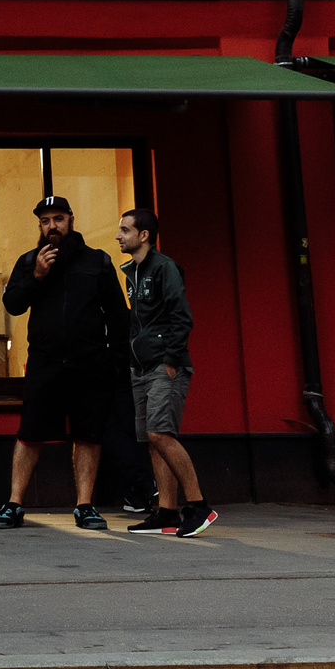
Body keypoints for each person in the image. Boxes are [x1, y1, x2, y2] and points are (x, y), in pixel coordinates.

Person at [0, 196, 136, 532]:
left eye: (58, 219)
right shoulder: (29, 261)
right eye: (45, 221)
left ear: (70, 219)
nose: (52, 226)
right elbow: (12, 305)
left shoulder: (96, 262)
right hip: (45, 363)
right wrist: (37, 275)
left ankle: (85, 506)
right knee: (30, 434)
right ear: (39, 226)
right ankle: (14, 504)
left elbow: (117, 314)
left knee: (88, 435)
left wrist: (114, 360)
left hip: (90, 365)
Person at [116, 208, 214, 538]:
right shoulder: (133, 272)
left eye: (125, 230)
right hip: (141, 367)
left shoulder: (164, 268)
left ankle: (200, 507)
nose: (119, 236)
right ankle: (167, 512)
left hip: (162, 365)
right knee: (152, 441)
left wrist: (170, 359)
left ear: (143, 235)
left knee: (161, 434)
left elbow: (182, 317)